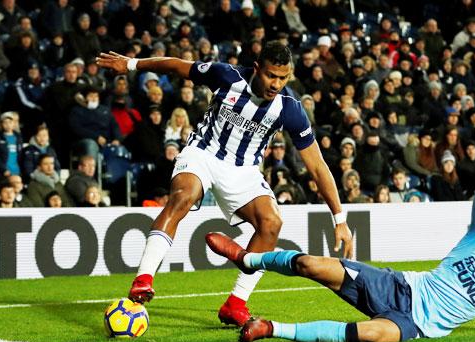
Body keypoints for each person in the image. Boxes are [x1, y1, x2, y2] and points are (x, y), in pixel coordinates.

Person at [97, 41, 353, 327]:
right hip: (203, 153)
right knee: (183, 197)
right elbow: (176, 65)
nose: (276, 84)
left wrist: (339, 218)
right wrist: (132, 64)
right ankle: (143, 279)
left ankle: (235, 303)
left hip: (243, 171)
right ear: (257, 68)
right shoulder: (226, 76)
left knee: (272, 222)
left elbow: (317, 165)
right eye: (271, 75)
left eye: (283, 78)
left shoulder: (289, 109)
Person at [206, 176, 475, 342]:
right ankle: (248, 258)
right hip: (400, 286)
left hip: (416, 326)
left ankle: (270, 328)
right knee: (311, 265)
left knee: (372, 335)